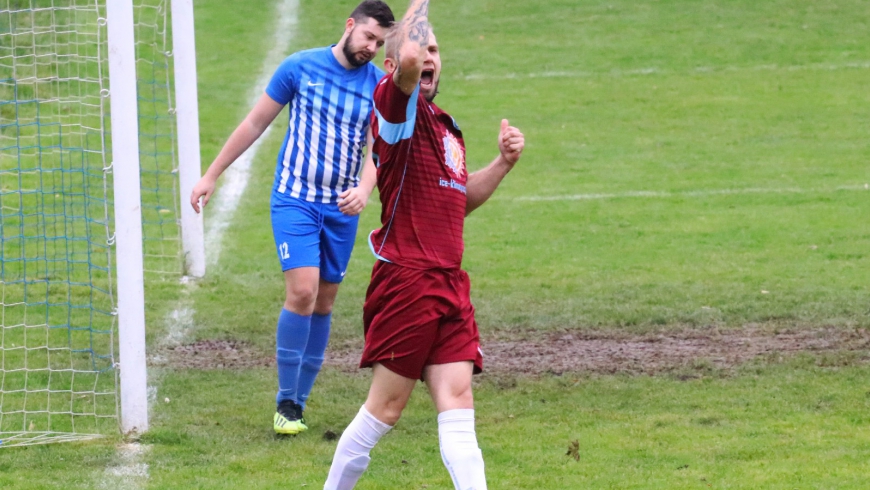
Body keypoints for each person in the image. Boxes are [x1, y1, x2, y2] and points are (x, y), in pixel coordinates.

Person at [323, 1, 525, 488]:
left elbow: (458, 202)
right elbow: (408, 61)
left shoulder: (446, 127)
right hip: (408, 281)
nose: (428, 55)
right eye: (421, 47)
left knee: (458, 408)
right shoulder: (395, 110)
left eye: (436, 48)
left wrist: (501, 165)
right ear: (392, 67)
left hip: (450, 282)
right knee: (385, 409)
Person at [189, 1, 395, 436]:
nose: (371, 48)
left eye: (379, 43)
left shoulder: (379, 87)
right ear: (349, 26)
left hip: (340, 209)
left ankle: (298, 402)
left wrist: (364, 189)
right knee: (302, 291)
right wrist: (212, 174)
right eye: (368, 37)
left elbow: (379, 149)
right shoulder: (300, 67)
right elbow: (254, 123)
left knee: (324, 301)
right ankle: (285, 399)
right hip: (295, 200)